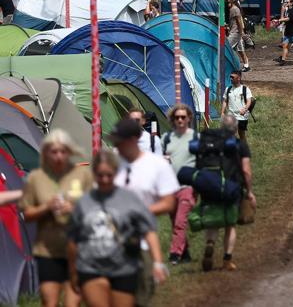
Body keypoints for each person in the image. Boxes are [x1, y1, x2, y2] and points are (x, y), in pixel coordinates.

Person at [68, 151, 167, 307]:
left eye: (109, 175)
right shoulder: (83, 203)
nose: (105, 180)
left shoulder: (129, 199)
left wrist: (158, 262)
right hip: (91, 267)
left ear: (116, 172)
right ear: (94, 174)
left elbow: (148, 231)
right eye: (100, 175)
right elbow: (73, 240)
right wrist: (73, 271)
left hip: (124, 268)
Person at [109, 118, 178, 307]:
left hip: (143, 244)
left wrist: (140, 211)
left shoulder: (156, 165)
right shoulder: (112, 166)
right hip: (111, 244)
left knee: (141, 297)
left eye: (119, 141)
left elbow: (169, 203)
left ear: (133, 139)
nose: (115, 145)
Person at [20, 131, 92, 307]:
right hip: (47, 250)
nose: (59, 156)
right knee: (49, 302)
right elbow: (27, 215)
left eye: (63, 151)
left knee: (72, 303)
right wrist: (46, 207)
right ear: (45, 153)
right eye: (54, 151)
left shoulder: (82, 175)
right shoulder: (36, 178)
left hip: (77, 250)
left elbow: (96, 209)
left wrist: (75, 209)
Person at [201, 116, 255, 272]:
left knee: (213, 221)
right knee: (230, 225)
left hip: (212, 185)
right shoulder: (240, 145)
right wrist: (249, 191)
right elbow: (246, 170)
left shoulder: (210, 143)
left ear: (221, 127)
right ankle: (227, 259)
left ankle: (210, 243)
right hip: (232, 187)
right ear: (235, 128)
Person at [163, 104, 197, 266]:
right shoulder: (167, 139)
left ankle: (175, 254)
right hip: (170, 187)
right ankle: (186, 253)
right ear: (173, 120)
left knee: (180, 221)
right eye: (177, 117)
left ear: (189, 118)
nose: (180, 120)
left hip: (188, 186)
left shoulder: (195, 138)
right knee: (175, 221)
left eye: (183, 117)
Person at [221, 70, 255, 141]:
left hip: (242, 116)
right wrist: (222, 112)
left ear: (238, 78)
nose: (230, 78)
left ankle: (243, 149)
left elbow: (249, 101)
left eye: (232, 77)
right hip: (231, 115)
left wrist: (245, 109)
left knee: (241, 134)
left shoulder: (245, 89)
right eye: (230, 77)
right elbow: (225, 101)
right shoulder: (228, 89)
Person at [226, 0, 250, 72]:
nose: (228, 0)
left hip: (236, 32)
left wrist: (241, 32)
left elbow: (239, 21)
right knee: (240, 50)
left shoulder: (235, 9)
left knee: (227, 47)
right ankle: (246, 66)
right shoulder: (231, 8)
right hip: (235, 31)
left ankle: (233, 65)